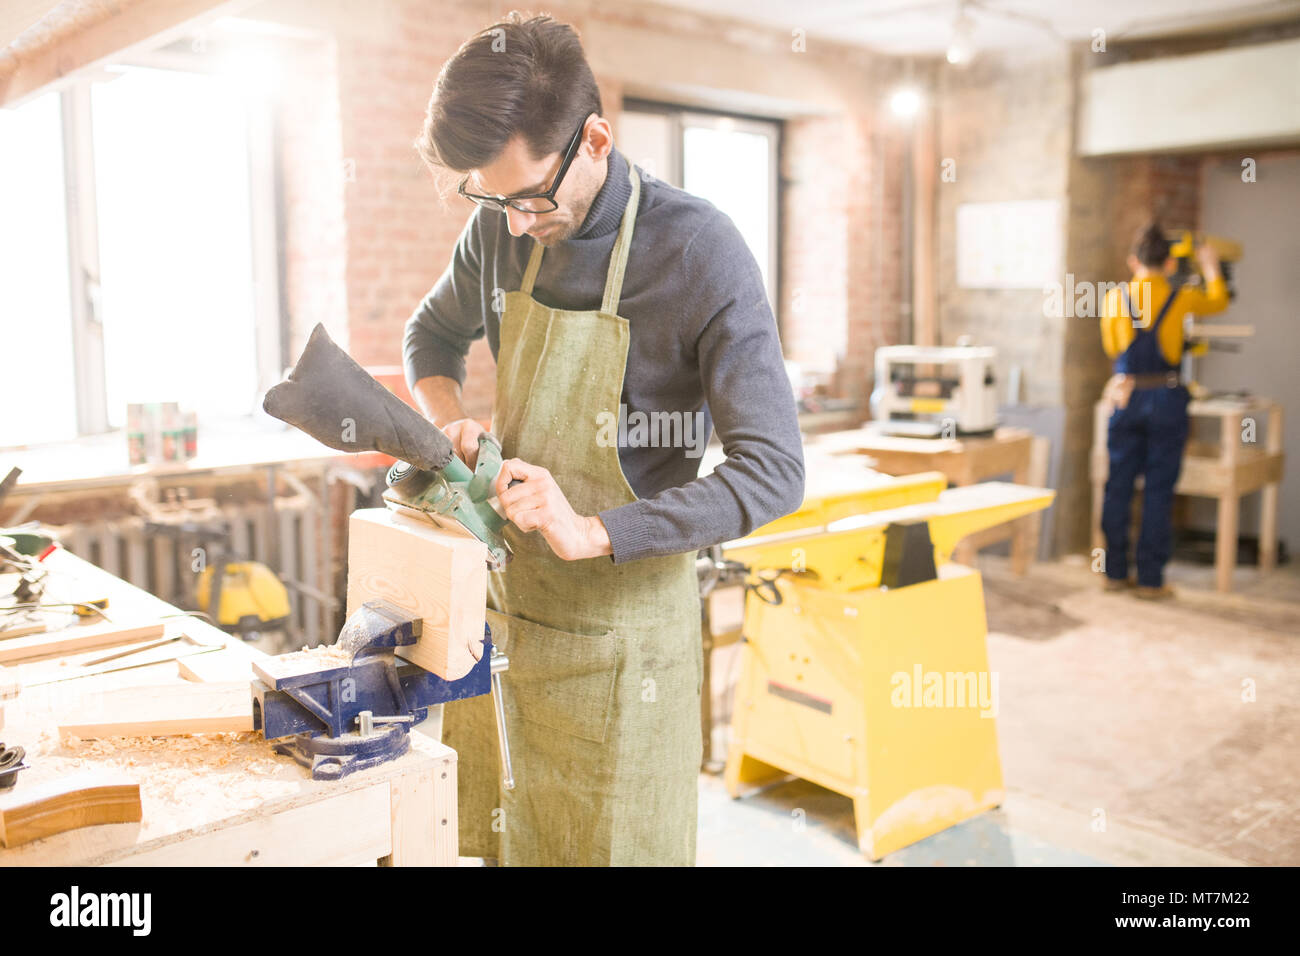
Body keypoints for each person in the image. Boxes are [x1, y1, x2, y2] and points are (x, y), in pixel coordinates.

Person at [403, 13, 804, 865]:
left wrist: (593, 530)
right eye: (491, 197)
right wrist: (451, 419)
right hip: (506, 622)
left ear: (594, 139)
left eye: (530, 198)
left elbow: (773, 472)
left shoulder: (698, 250)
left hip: (627, 647)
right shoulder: (497, 229)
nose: (512, 225)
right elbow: (427, 340)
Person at [1099, 221, 1228, 599]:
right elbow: (1219, 301)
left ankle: (1114, 573)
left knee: (1118, 487)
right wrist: (1211, 267)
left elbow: (1112, 349)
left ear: (1132, 261)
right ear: (1170, 265)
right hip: (1167, 397)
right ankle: (1151, 580)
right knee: (1159, 489)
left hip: (1127, 396)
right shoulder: (1183, 295)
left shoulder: (1114, 298)